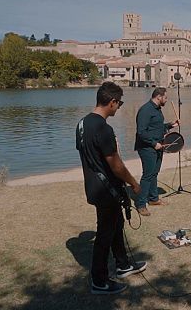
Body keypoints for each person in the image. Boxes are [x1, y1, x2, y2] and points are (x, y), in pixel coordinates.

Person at [76, 82, 147, 294]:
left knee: (116, 227)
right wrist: (134, 183)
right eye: (120, 103)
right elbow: (115, 164)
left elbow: (89, 156)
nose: (119, 107)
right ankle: (99, 280)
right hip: (107, 190)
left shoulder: (82, 124)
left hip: (95, 187)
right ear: (112, 101)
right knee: (105, 234)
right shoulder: (103, 128)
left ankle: (123, 264)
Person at [134, 87, 179, 216]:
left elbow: (157, 127)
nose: (166, 100)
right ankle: (141, 204)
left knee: (154, 173)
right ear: (158, 97)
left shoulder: (157, 110)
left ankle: (153, 199)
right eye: (165, 97)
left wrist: (170, 125)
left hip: (159, 146)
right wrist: (154, 144)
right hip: (147, 147)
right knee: (148, 175)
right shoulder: (145, 110)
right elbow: (141, 132)